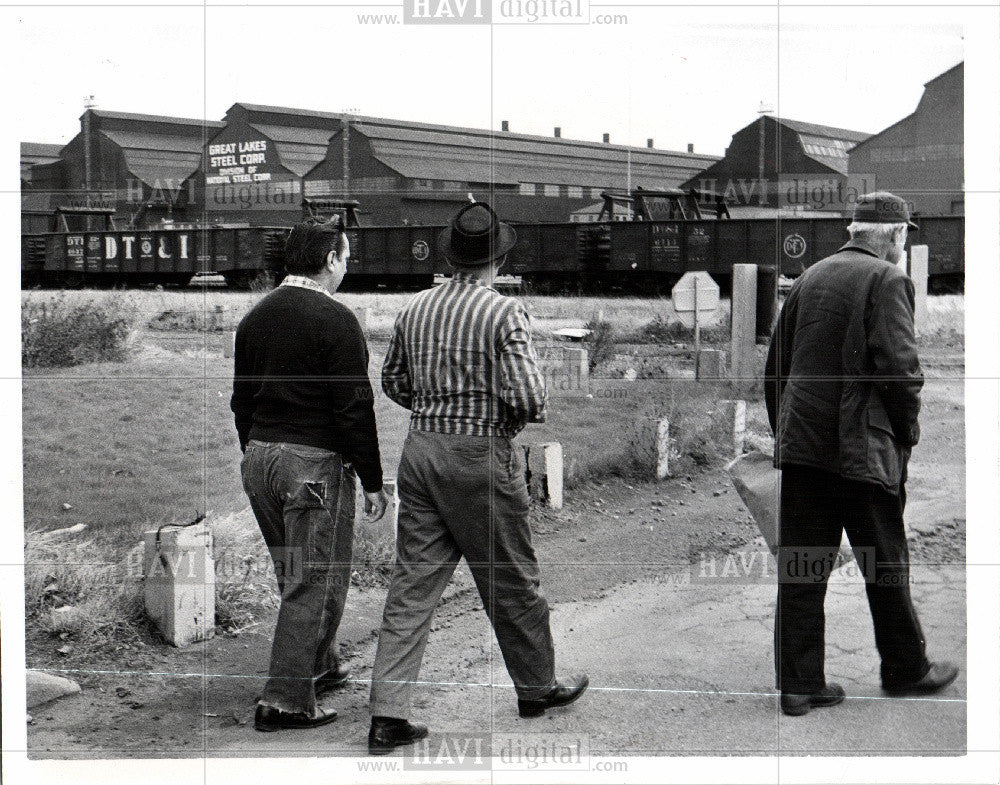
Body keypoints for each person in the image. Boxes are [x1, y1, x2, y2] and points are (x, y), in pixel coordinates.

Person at [367, 202, 588, 755]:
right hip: (479, 456)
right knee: (511, 577)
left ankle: (387, 716)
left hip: (420, 453)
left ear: (450, 255)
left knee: (412, 587)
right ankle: (536, 688)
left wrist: (433, 410)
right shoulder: (503, 312)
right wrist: (498, 421)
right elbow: (529, 396)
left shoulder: (415, 308)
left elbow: (392, 379)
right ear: (499, 257)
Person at [764, 192, 959, 716]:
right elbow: (900, 370)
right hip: (861, 452)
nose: (903, 244)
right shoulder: (889, 280)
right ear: (894, 236)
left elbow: (775, 369)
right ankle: (905, 670)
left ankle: (799, 685)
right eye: (904, 236)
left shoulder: (808, 278)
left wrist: (787, 433)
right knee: (886, 564)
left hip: (805, 450)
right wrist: (906, 433)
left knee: (802, 566)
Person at [231, 218, 389, 732]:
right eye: (345, 257)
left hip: (259, 460)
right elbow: (354, 407)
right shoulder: (336, 319)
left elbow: (240, 402)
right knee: (311, 579)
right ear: (330, 260)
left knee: (298, 572)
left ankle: (318, 665)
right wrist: (371, 478)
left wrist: (257, 457)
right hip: (313, 465)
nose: (346, 267)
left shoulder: (254, 318)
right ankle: (284, 702)